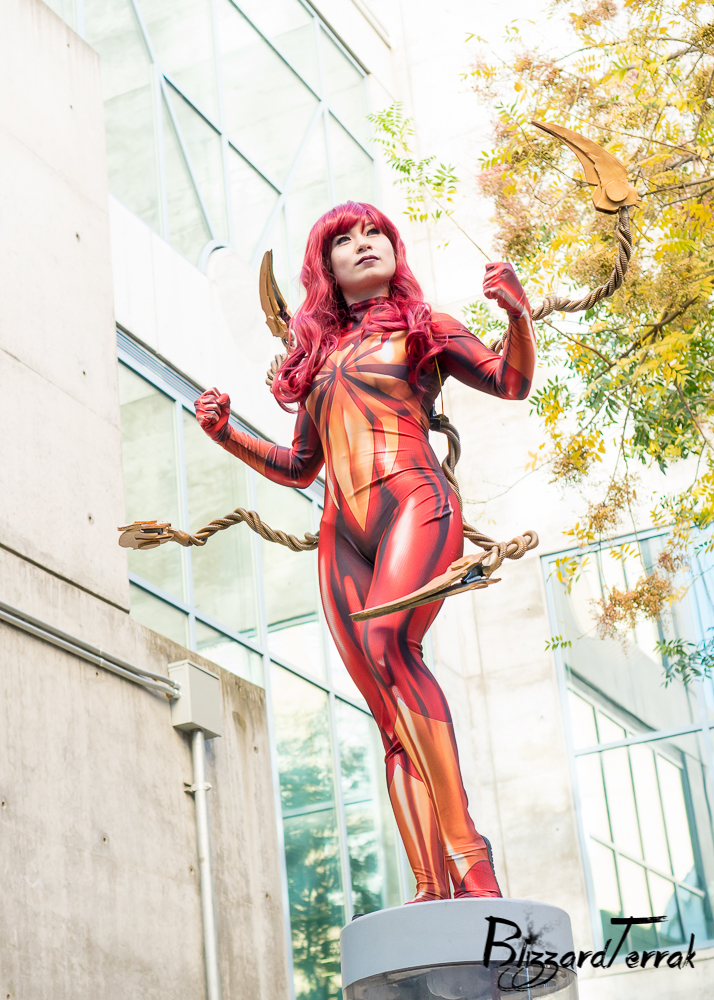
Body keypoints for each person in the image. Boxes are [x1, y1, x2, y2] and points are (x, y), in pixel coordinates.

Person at [194, 202, 536, 902]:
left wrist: (518, 315)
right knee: (388, 712)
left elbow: (510, 381)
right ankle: (429, 889)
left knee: (390, 645)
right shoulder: (316, 358)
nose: (363, 244)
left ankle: (472, 861)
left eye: (374, 232)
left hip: (416, 501)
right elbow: (300, 466)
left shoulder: (427, 327)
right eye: (344, 239)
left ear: (393, 247)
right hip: (341, 535)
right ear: (325, 266)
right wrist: (227, 434)